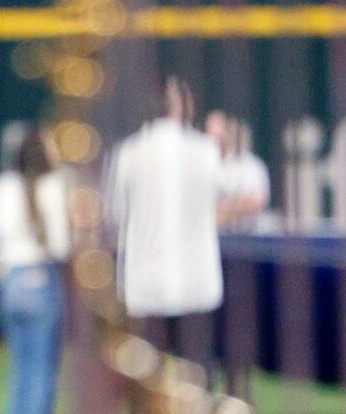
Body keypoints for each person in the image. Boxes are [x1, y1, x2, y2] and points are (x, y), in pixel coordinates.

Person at [109, 77, 224, 356]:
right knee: (198, 383)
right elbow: (216, 205)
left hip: (145, 286)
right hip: (197, 283)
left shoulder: (128, 152)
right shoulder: (206, 150)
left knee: (148, 387)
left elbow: (116, 214)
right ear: (182, 107)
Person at [0, 128, 71, 414]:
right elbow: (63, 243)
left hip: (10, 279)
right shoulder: (55, 186)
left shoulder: (6, 185)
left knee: (21, 370)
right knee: (40, 372)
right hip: (41, 277)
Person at [210, 111, 269, 227]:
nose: (215, 138)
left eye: (219, 133)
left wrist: (224, 211)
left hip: (246, 237)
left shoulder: (251, 165)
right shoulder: (206, 165)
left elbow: (257, 201)